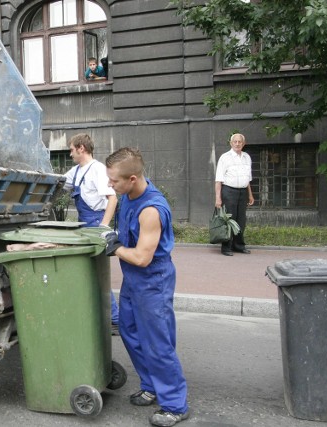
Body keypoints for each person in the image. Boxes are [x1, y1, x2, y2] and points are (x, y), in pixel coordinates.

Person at [105, 147, 189, 427]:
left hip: (153, 279)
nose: (110, 185)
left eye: (114, 180)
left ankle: (175, 404)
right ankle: (151, 385)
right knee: (129, 332)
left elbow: (142, 257)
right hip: (133, 280)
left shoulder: (151, 209)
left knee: (158, 343)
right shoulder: (128, 196)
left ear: (132, 178)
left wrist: (115, 248)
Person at [63, 134, 120, 334]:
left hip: (95, 222)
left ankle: (115, 319)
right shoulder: (76, 172)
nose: (70, 154)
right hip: (84, 223)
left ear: (81, 148)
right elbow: (60, 183)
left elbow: (112, 199)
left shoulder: (97, 170)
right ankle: (102, 315)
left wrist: (103, 226)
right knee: (89, 273)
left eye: (71, 150)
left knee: (97, 273)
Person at [215, 133, 255, 256]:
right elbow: (218, 179)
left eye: (240, 142)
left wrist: (250, 195)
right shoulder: (225, 157)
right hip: (228, 191)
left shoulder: (247, 157)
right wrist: (218, 198)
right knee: (229, 220)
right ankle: (226, 247)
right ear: (231, 143)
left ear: (243, 144)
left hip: (243, 192)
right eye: (235, 142)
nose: (237, 144)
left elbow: (247, 179)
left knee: (241, 220)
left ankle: (238, 245)